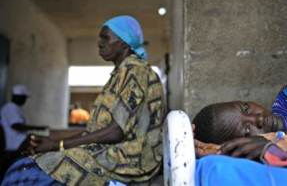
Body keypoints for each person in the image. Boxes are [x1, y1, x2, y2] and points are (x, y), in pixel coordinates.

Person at [2, 15, 165, 186]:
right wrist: (54, 143)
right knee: (26, 165)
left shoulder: (136, 71)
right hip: (111, 151)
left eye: (105, 38)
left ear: (124, 43)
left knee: (26, 173)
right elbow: (94, 131)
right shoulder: (120, 75)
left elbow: (115, 132)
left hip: (133, 157)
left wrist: (58, 145)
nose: (99, 43)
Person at [192, 81, 287, 185]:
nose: (258, 119)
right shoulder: (275, 164)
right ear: (242, 147)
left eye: (246, 108)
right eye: (247, 131)